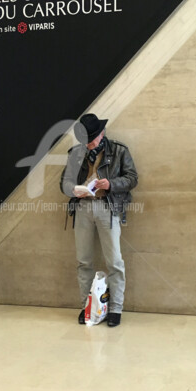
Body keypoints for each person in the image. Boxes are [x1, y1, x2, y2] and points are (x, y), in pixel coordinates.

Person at [60, 113, 138, 327]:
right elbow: (64, 183)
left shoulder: (119, 150)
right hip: (83, 208)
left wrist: (111, 184)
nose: (88, 144)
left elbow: (132, 178)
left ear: (102, 133)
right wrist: (74, 190)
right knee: (83, 261)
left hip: (108, 207)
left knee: (114, 261)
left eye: (92, 139)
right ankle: (87, 306)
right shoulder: (76, 153)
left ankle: (115, 309)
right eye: (85, 139)